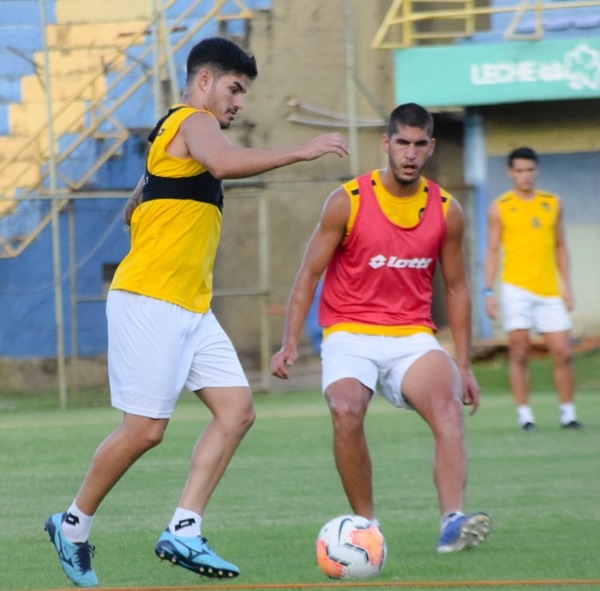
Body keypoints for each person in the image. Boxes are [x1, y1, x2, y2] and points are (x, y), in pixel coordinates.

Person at [45, 36, 348, 587]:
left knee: (237, 411)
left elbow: (140, 201)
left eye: (244, 93)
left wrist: (146, 199)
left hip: (190, 307)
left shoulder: (179, 134)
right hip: (153, 300)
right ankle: (72, 525)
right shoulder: (193, 119)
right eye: (234, 88)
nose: (238, 102)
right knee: (144, 431)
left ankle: (184, 529)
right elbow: (227, 162)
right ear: (204, 81)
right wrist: (300, 151)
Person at [271, 103, 491, 554]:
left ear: (430, 147)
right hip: (350, 333)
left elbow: (457, 286)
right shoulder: (347, 201)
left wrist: (464, 364)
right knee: (346, 409)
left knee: (448, 405)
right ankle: (366, 528)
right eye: (402, 143)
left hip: (412, 337)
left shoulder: (447, 210)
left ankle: (453, 522)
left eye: (419, 144)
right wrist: (289, 340)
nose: (409, 153)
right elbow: (308, 273)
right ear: (385, 143)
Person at [484, 147, 582, 432]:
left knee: (562, 352)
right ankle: (525, 415)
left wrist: (567, 287)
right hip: (516, 289)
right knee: (519, 352)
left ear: (536, 171)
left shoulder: (552, 202)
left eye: (529, 170)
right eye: (519, 171)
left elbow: (561, 245)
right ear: (510, 173)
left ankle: (568, 414)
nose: (525, 176)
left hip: (549, 289)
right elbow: (491, 250)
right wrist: (488, 291)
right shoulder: (500, 206)